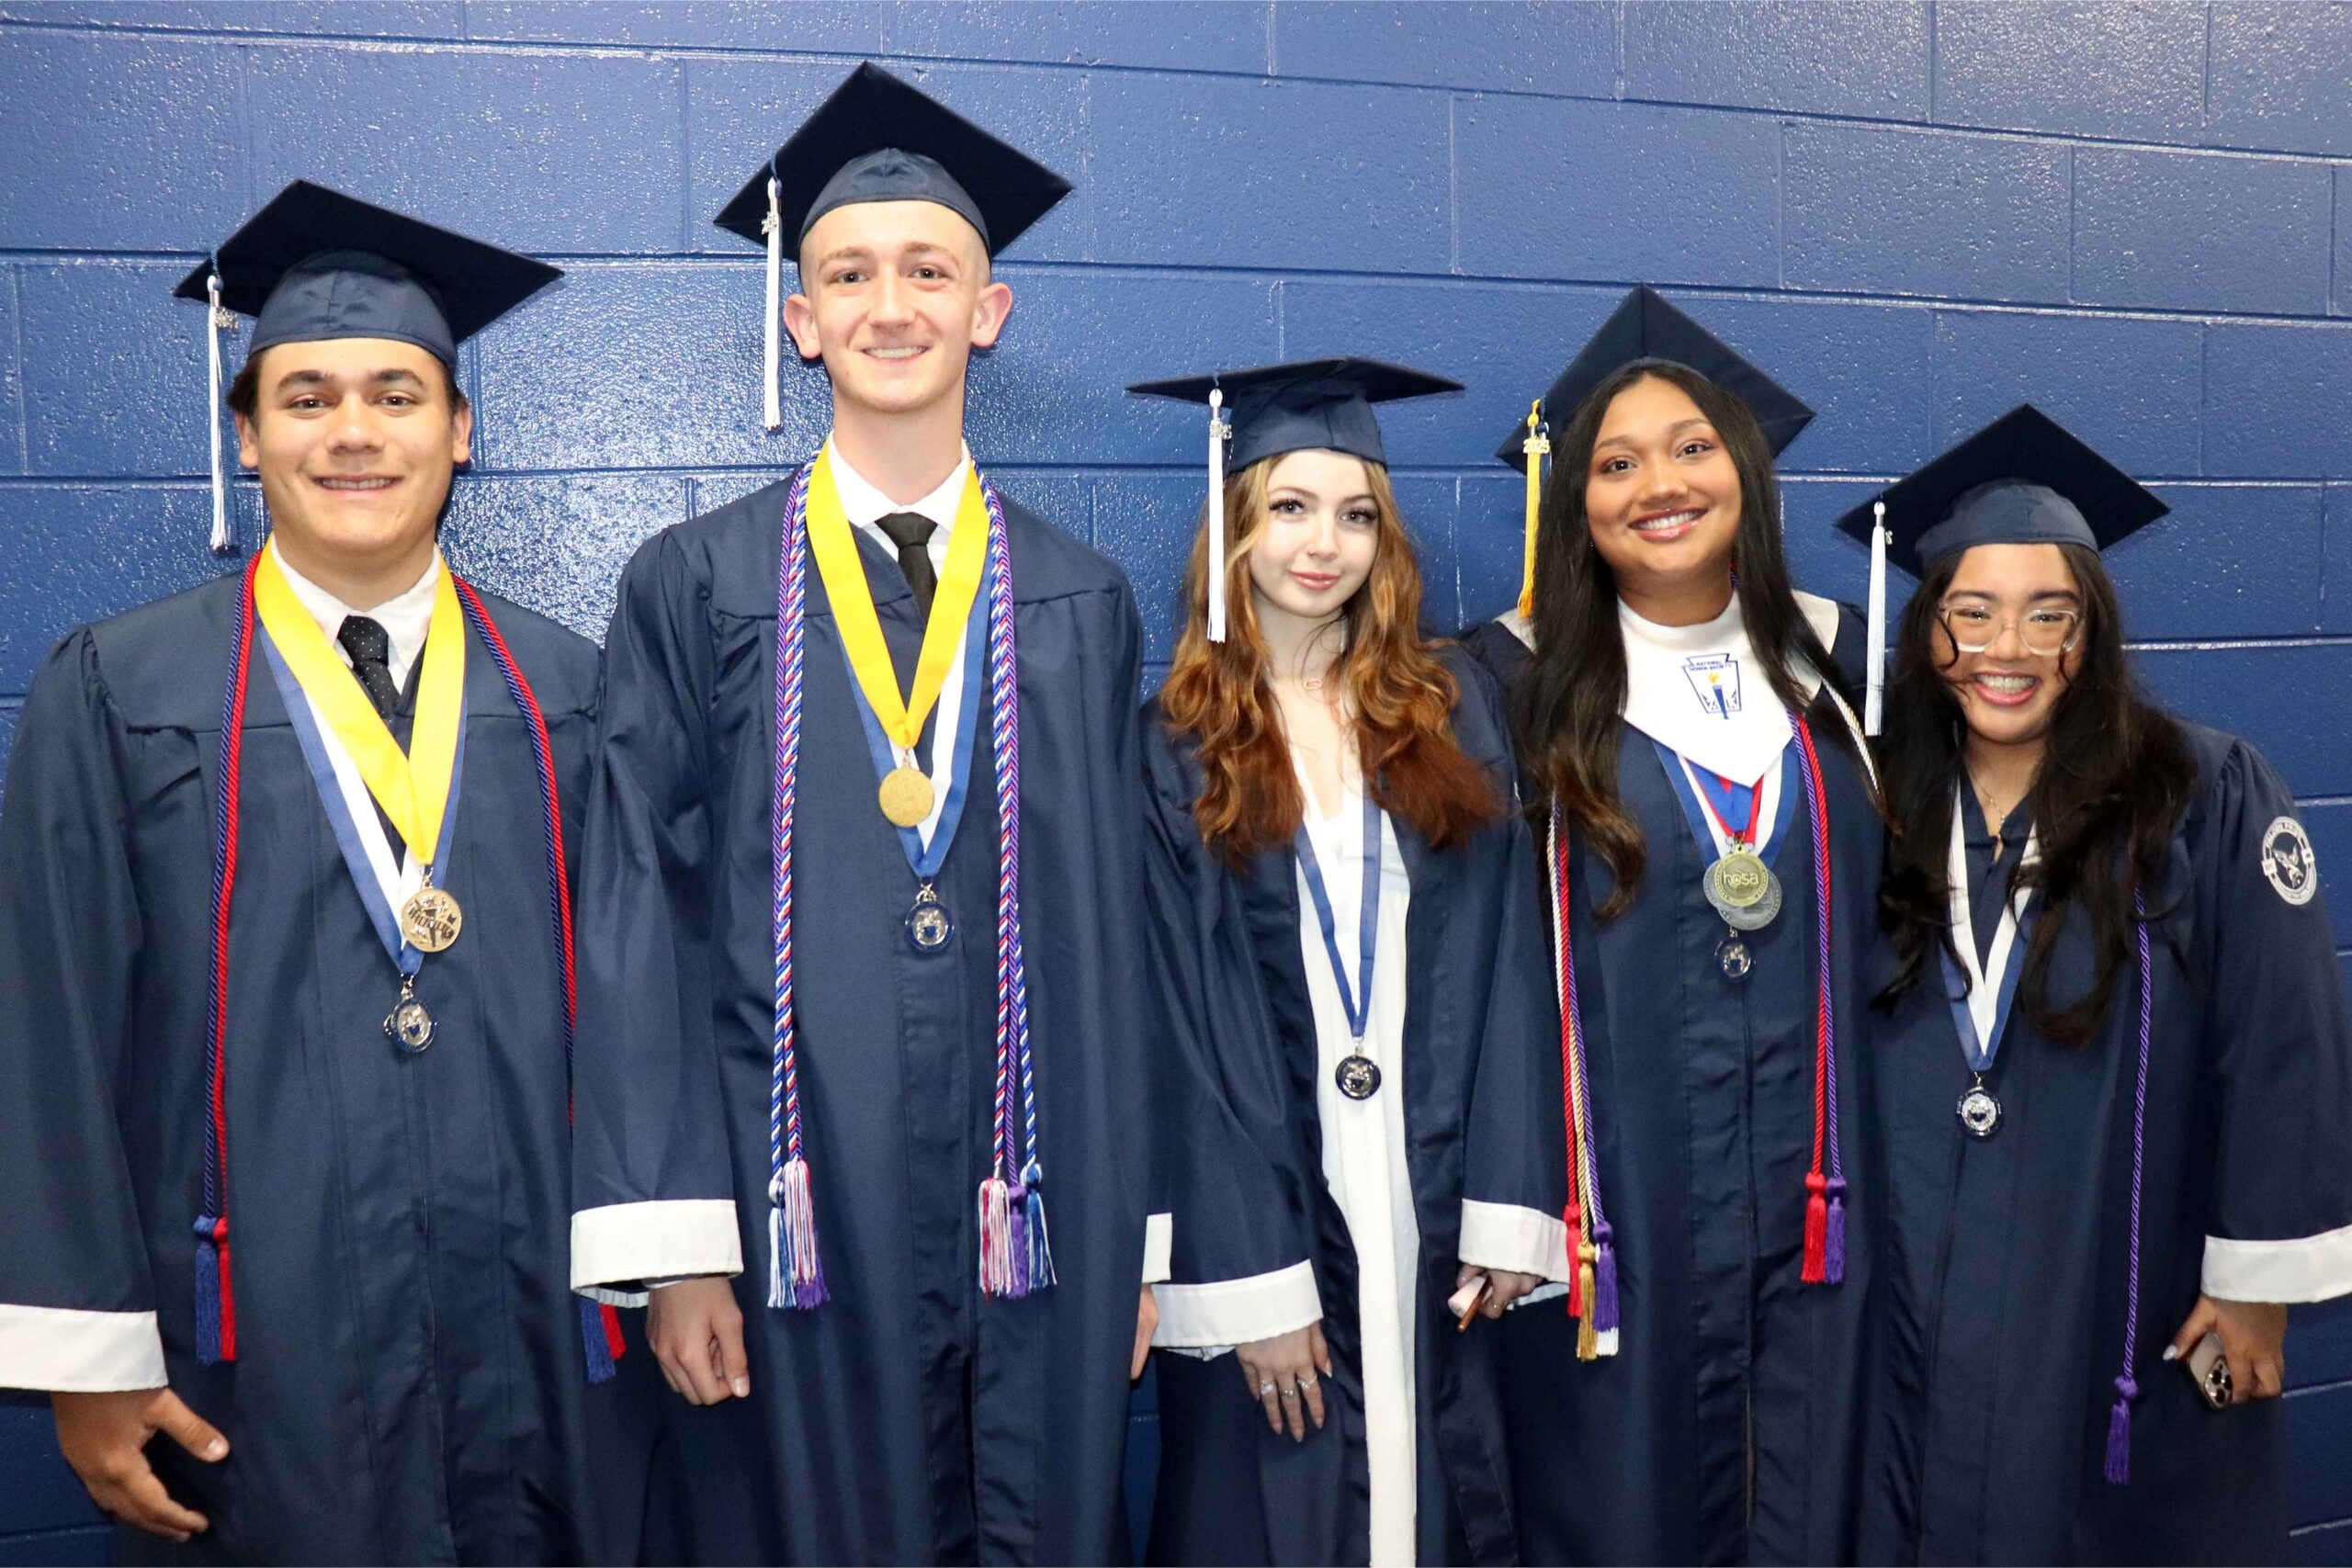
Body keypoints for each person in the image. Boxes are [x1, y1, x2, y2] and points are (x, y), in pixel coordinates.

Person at [567, 62, 1165, 1564]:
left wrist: (1131, 1233)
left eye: (928, 270)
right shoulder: (695, 581)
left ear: (988, 311)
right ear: (801, 319)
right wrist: (676, 1241)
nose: (889, 304)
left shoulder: (1081, 601)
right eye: (848, 273)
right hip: (795, 1199)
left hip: (1032, 1191)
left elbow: (1126, 940)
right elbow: (631, 905)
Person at [0, 180, 639, 1562]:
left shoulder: (569, 692)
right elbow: (43, 1027)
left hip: (536, 1328)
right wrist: (83, 1352)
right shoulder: (121, 689)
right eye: (305, 396)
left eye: (397, 394)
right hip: (247, 1332)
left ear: (461, 432)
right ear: (248, 432)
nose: (354, 430)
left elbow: (650, 1013)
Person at [1841, 405, 2352, 1564]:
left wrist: (2258, 1280)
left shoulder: (2200, 792)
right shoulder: (1872, 804)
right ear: (1927, 634)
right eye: (1970, 614)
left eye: (2045, 615)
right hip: (1913, 1268)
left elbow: (2284, 1041)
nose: (2006, 649)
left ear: (2090, 631)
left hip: (2117, 1271)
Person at [1459, 287, 1881, 1564]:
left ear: (1745, 469)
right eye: (1616, 459)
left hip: (1819, 1199)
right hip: (1611, 1211)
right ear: (1573, 500)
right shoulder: (1505, 683)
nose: (1659, 481)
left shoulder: (1846, 670)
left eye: (1693, 445)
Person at [1130, 360, 1564, 1566]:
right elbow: (1164, 1015)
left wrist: (1508, 1193)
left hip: (1422, 1185)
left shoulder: (1448, 702)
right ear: (1236, 525)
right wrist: (1247, 1273)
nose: (1324, 543)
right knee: (1268, 1500)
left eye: (1355, 512)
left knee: (1438, 1490)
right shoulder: (1168, 733)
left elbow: (1510, 957)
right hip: (1267, 1192)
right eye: (1289, 506)